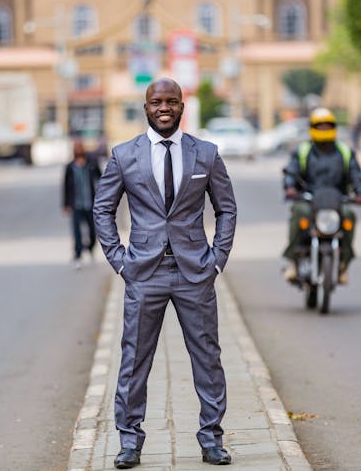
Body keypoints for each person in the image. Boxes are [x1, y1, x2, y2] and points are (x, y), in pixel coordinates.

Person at [93, 78, 237, 468]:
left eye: (171, 101)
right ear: (145, 107)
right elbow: (102, 210)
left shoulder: (205, 154)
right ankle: (129, 441)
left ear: (181, 106)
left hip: (195, 273)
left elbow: (226, 209)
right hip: (143, 273)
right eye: (157, 102)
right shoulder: (124, 155)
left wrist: (217, 259)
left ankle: (211, 439)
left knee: (207, 358)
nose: (164, 108)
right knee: (134, 360)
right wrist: (119, 260)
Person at [282, 107, 361, 284]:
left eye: (327, 126)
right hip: (309, 199)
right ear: (312, 128)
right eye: (319, 126)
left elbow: (356, 174)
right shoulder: (303, 151)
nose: (324, 130)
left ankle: (343, 262)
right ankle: (293, 261)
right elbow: (291, 171)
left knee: (348, 215)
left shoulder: (344, 152)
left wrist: (360, 192)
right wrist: (290, 187)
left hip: (337, 201)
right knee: (300, 213)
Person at [63, 139, 102, 269]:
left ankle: (90, 248)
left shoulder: (91, 164)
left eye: (80, 147)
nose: (78, 150)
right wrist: (65, 204)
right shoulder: (70, 167)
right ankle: (77, 255)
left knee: (92, 231)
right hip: (76, 205)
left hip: (91, 204)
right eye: (76, 148)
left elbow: (102, 180)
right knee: (77, 232)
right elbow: (65, 187)